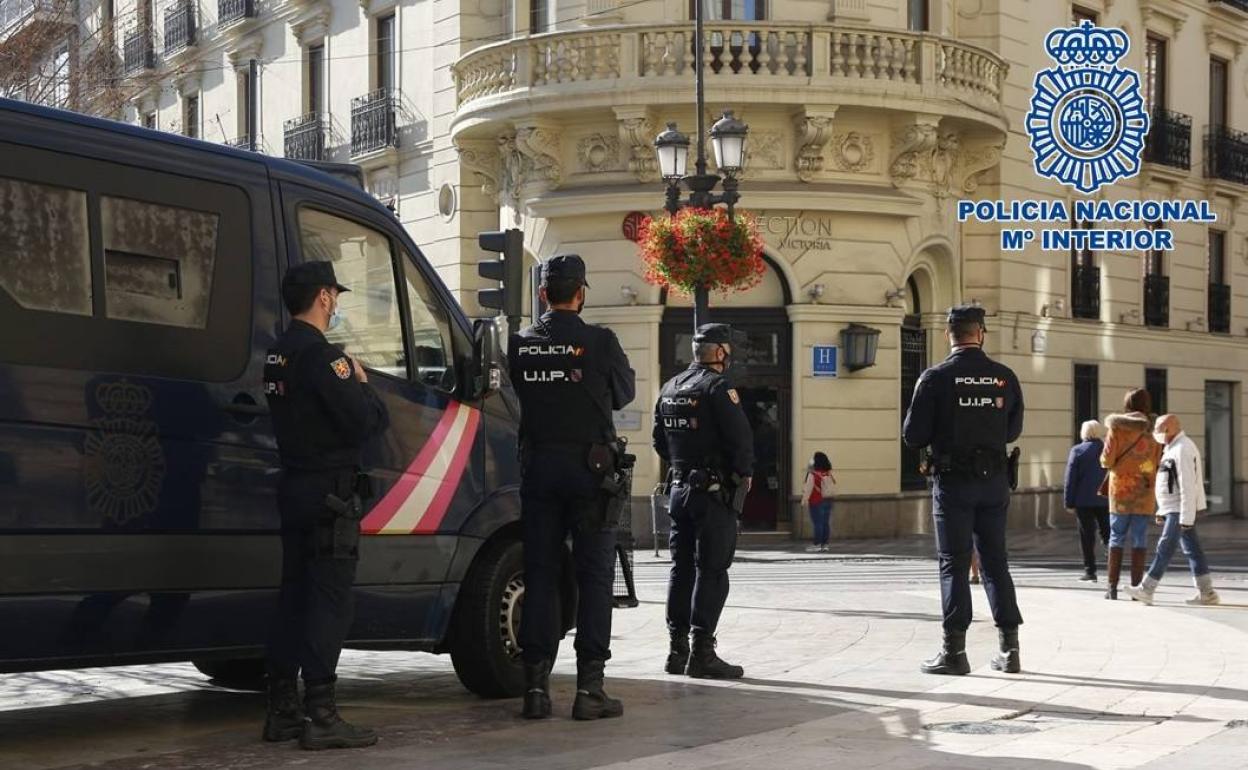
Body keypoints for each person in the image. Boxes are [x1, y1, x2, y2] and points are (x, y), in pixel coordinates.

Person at [262, 261, 389, 750]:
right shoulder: (324, 358)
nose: (336, 303)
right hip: (329, 496)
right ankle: (322, 714)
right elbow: (366, 422)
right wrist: (360, 381)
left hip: (294, 486)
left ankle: (282, 710)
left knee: (293, 597)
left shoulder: (277, 355)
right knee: (329, 602)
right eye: (334, 294)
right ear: (322, 297)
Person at [510, 254, 636, 721]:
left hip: (539, 467)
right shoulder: (600, 341)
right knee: (594, 577)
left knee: (541, 575)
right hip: (591, 472)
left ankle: (536, 690)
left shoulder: (520, 344)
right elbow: (624, 393)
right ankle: (589, 689)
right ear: (580, 293)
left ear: (543, 294)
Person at [902, 305, 1025, 676]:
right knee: (995, 561)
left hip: (953, 483)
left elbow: (913, 436)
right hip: (994, 482)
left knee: (954, 563)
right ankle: (1009, 648)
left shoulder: (935, 377)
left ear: (948, 335)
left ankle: (954, 652)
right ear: (981, 333)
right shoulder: (1004, 377)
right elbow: (1012, 431)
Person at [655, 323, 754, 679]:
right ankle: (702, 653)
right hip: (712, 496)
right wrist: (741, 476)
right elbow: (741, 441)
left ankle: (676, 650)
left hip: (679, 490)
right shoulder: (718, 388)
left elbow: (659, 442)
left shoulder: (670, 387)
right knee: (711, 572)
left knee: (680, 570)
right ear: (722, 352)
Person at [1129, 415, 1221, 606]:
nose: (1155, 432)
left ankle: (1147, 589)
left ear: (1169, 429)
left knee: (1165, 548)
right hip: (1175, 508)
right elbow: (1169, 483)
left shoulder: (1182, 449)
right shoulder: (1173, 448)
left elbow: (1188, 484)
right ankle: (1207, 593)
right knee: (1193, 550)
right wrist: (1163, 510)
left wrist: (1186, 517)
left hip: (1179, 509)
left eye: (1158, 428)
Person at [1101, 389, 1162, 600]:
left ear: (1127, 404)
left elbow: (1107, 460)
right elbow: (1155, 461)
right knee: (1140, 537)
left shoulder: (1117, 428)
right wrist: (1142, 471)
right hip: (1144, 490)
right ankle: (1136, 588)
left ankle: (1112, 587)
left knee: (1116, 536)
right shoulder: (1153, 430)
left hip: (1120, 491)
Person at [1064, 420, 1110, 582]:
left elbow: (1070, 479)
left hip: (1083, 501)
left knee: (1087, 536)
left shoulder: (1077, 451)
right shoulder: (1107, 450)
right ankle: (1112, 566)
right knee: (1108, 534)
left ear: (1083, 433)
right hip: (1105, 499)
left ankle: (1090, 571)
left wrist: (1069, 502)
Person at [801, 452, 836, 553]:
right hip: (828, 500)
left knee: (818, 523)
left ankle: (817, 544)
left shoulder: (813, 474)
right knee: (825, 523)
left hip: (817, 501)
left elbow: (808, 488)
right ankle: (825, 544)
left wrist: (804, 500)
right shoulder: (828, 473)